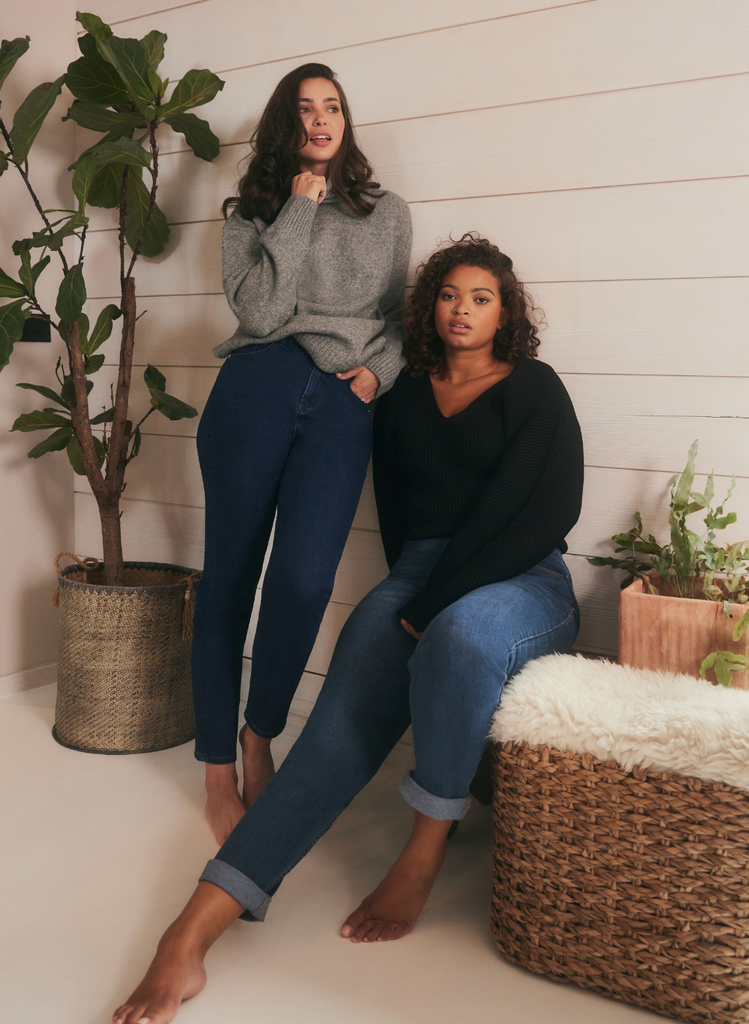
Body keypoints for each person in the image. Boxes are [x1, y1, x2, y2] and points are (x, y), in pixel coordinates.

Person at [112, 234, 584, 1024]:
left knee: (461, 635)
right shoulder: (401, 399)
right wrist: (410, 595)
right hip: (423, 576)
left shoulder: (532, 387)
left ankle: (423, 850)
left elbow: (546, 509)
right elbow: (398, 519)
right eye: (448, 294)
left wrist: (430, 601)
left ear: (505, 313)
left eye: (481, 297)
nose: (462, 309)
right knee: (329, 736)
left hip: (522, 575)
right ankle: (191, 932)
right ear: (428, 306)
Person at [192, 62, 412, 845]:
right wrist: (295, 207)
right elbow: (257, 312)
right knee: (229, 578)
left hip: (339, 405)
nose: (322, 119)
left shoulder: (387, 215)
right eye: (306, 109)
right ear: (286, 124)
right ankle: (218, 762)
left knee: (305, 579)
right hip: (256, 388)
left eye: (334, 107)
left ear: (346, 120)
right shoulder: (250, 212)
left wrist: (375, 377)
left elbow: (395, 317)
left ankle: (260, 733)